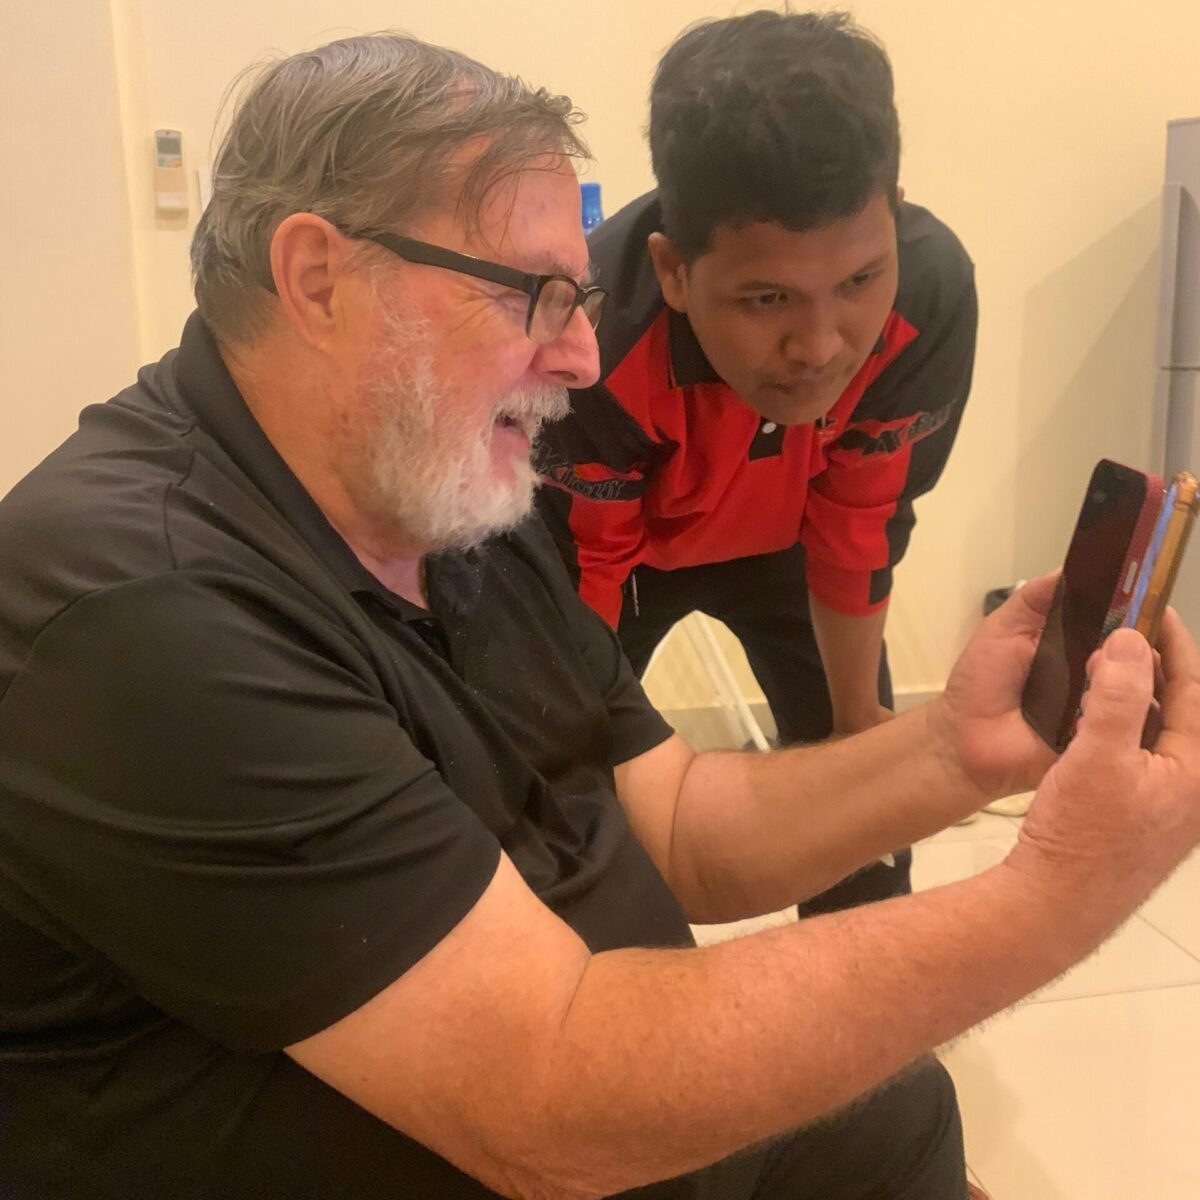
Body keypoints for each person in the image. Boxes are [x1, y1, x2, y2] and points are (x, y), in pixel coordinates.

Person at [2, 31, 1199, 1200]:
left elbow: (670, 819)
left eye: (579, 296)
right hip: (498, 1143)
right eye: (535, 297)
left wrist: (950, 748)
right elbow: (550, 1097)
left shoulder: (445, 507)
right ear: (320, 279)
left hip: (571, 1130)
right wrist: (1056, 894)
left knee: (895, 1114)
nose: (582, 356)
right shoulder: (145, 612)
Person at [536, 10, 978, 912]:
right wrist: (580, 764)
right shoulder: (593, 337)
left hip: (797, 544)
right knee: (567, 798)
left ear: (893, 218)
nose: (820, 346)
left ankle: (862, 995)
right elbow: (590, 567)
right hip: (623, 559)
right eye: (767, 298)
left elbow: (862, 520)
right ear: (673, 272)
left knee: (862, 802)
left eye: (859, 281)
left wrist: (858, 736)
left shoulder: (931, 293)